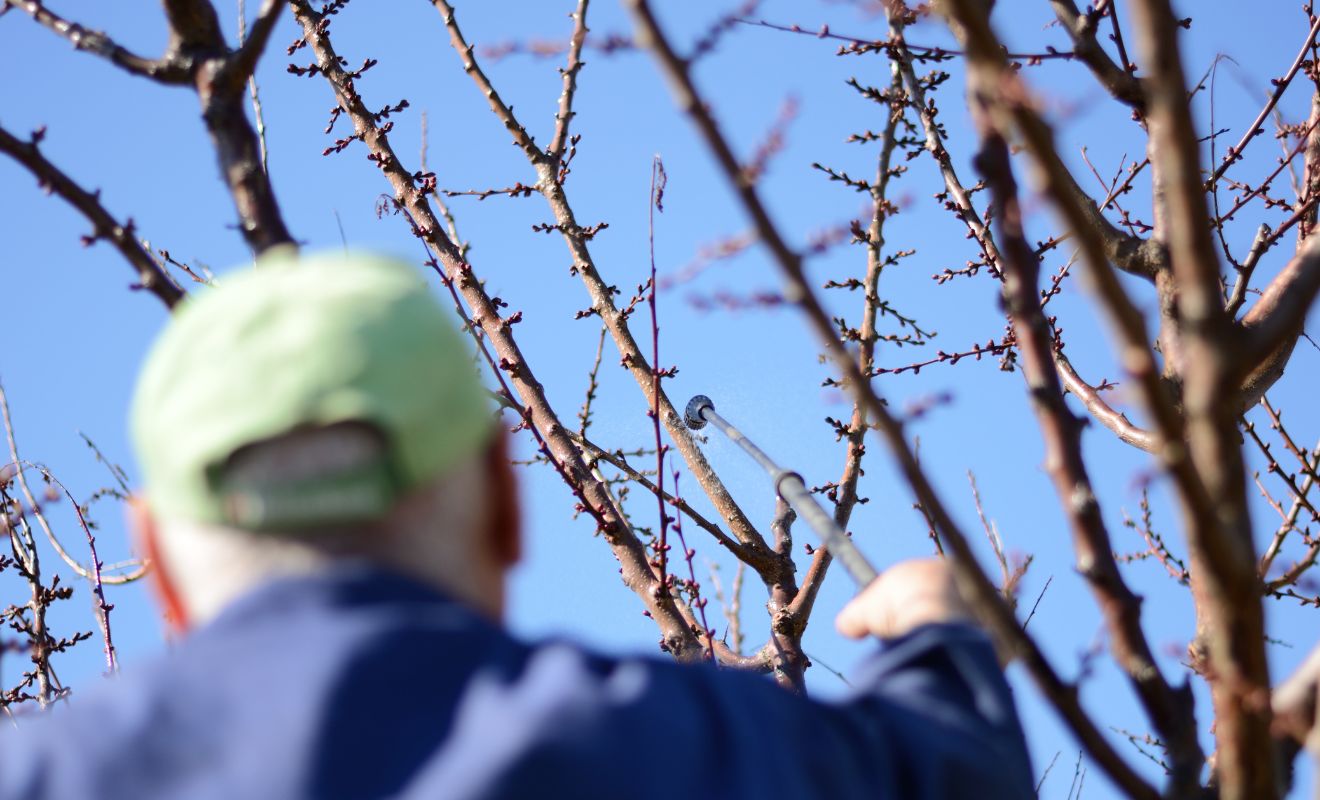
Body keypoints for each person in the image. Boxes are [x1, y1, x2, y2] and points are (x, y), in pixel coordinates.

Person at [0, 251, 1035, 799]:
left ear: (154, 562)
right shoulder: (660, 742)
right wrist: (937, 645)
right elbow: (946, 779)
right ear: (505, 495)